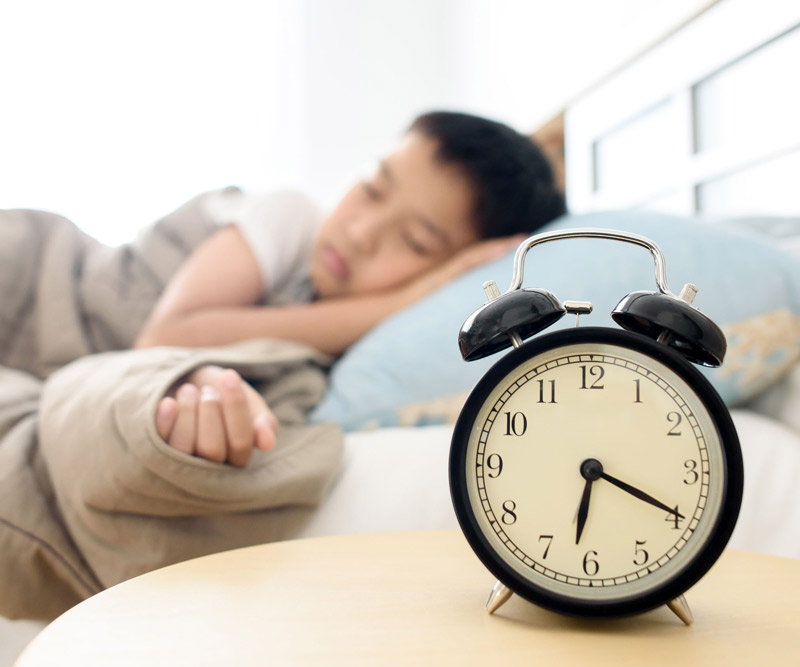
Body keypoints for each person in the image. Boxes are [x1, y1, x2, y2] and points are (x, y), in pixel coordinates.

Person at [134, 111, 566, 468]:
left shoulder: (369, 353)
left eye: (415, 241)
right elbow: (162, 338)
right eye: (373, 188)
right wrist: (398, 300)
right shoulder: (293, 217)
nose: (361, 232)